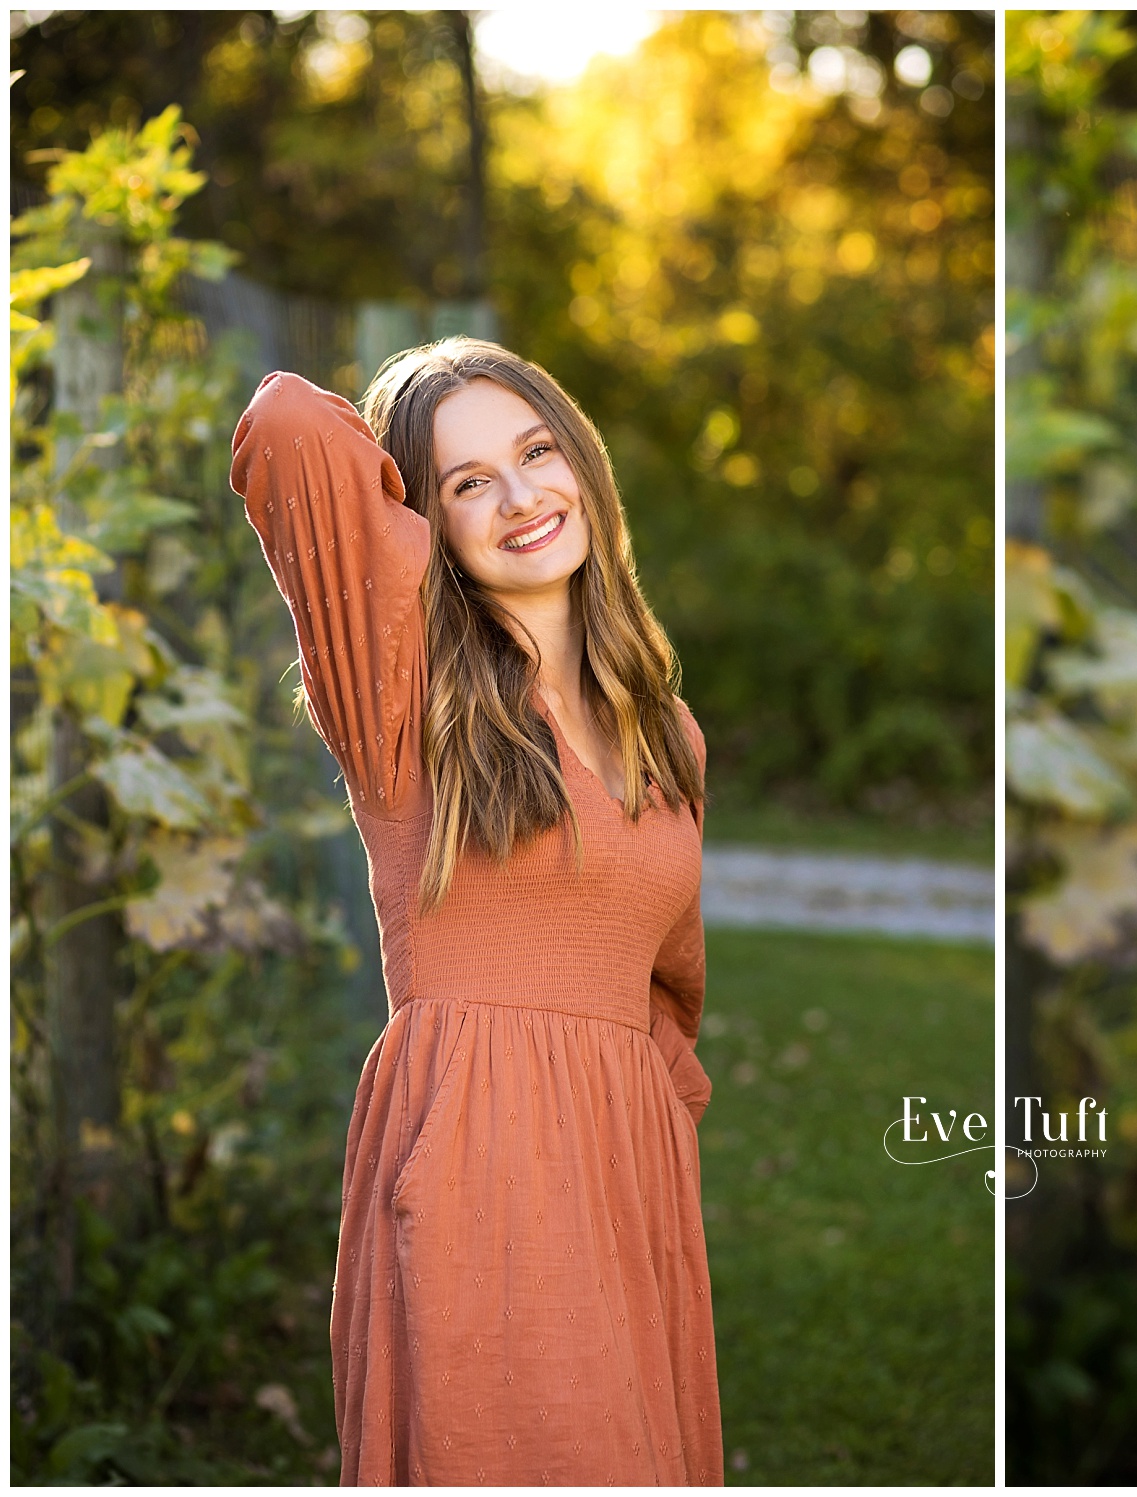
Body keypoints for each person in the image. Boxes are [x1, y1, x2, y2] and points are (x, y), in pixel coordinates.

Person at [230, 341, 721, 1485]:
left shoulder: (668, 734)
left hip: (626, 1167)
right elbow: (289, 429)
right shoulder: (405, 700)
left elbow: (667, 988)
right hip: (474, 1160)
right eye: (467, 483)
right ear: (427, 518)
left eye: (537, 452)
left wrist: (650, 1127)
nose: (520, 499)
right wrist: (411, 446)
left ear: (583, 465)